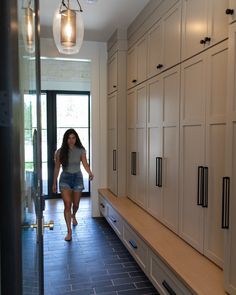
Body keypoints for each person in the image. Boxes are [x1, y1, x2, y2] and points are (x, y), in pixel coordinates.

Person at [52, 128, 94, 241]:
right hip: (65, 178)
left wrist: (90, 173)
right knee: (67, 204)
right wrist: (54, 183)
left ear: (76, 139)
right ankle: (69, 231)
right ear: (66, 139)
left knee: (75, 204)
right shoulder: (59, 152)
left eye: (73, 138)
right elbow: (56, 168)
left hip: (78, 179)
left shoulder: (81, 150)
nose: (71, 140)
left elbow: (85, 164)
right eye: (69, 138)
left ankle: (73, 215)